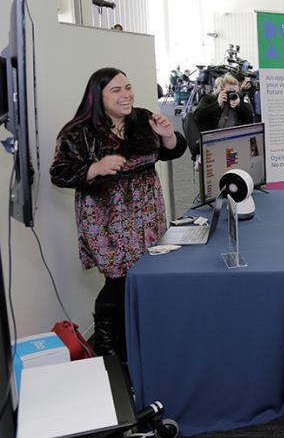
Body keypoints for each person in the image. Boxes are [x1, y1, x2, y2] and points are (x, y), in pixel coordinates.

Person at [49, 68, 187, 359]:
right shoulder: (79, 132)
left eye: (128, 87)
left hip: (147, 211)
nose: (127, 95)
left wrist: (168, 137)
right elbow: (59, 173)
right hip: (106, 218)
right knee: (118, 279)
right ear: (97, 96)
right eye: (116, 90)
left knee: (143, 274)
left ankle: (136, 335)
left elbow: (170, 152)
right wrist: (94, 168)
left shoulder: (141, 118)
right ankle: (107, 345)